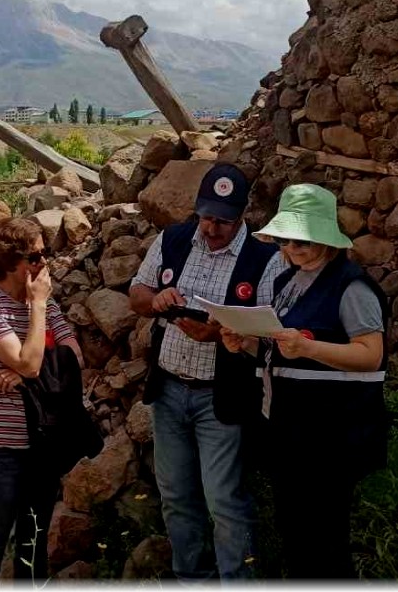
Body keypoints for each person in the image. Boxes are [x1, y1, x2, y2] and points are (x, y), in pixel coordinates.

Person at [219, 183, 390, 579]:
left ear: (325, 240)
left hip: (331, 438)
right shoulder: (287, 283)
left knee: (325, 543)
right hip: (292, 435)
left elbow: (371, 354)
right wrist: (242, 343)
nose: (290, 252)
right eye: (285, 243)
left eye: (300, 244)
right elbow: (282, 351)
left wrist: (309, 349)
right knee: (298, 535)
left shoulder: (352, 287)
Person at [128, 163, 277, 582]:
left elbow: (269, 336)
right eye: (206, 217)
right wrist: (156, 300)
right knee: (175, 495)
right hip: (169, 391)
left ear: (242, 215)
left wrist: (218, 335)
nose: (211, 229)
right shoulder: (174, 240)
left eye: (223, 222)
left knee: (224, 500)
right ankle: (190, 578)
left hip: (222, 398)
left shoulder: (263, 259)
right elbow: (136, 294)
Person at [0, 217, 83, 581]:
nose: (43, 264)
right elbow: (30, 362)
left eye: (44, 255)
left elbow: (74, 356)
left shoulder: (43, 304)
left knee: (33, 550)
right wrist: (39, 310)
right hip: (2, 450)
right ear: (10, 263)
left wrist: (27, 373)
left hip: (42, 446)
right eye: (35, 257)